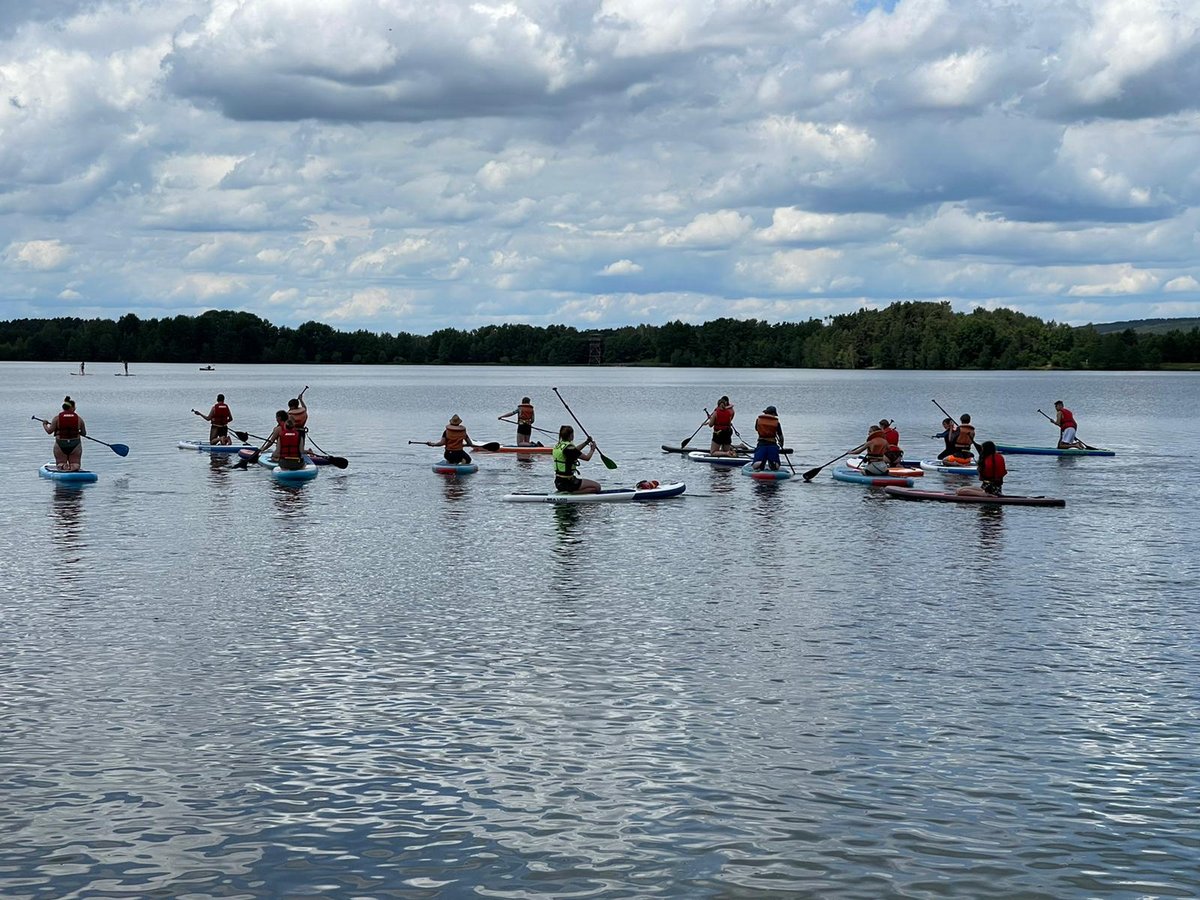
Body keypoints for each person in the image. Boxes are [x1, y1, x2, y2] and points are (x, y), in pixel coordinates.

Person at [552, 425, 600, 494]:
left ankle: (569, 491)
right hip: (569, 483)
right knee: (597, 487)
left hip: (558, 482)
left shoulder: (559, 446)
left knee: (593, 486)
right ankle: (572, 493)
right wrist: (592, 449)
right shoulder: (569, 448)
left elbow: (575, 451)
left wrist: (586, 442)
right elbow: (587, 458)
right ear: (571, 435)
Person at [43, 399, 85, 471]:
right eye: (75, 407)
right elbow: (84, 433)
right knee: (75, 463)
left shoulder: (56, 419)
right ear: (72, 408)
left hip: (60, 444)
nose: (75, 408)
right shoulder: (79, 419)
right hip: (75, 444)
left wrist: (44, 424)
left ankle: (63, 466)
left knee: (60, 463)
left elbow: (49, 431)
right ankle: (74, 468)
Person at [750, 406, 784, 471]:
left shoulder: (758, 420)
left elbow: (757, 429)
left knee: (756, 464)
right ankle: (773, 464)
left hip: (761, 444)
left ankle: (760, 464)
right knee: (776, 464)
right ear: (774, 414)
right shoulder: (776, 423)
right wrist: (781, 444)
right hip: (772, 445)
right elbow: (780, 436)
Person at [287, 386, 309, 453]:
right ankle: (307, 451)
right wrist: (301, 400)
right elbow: (304, 407)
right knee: (300, 449)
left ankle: (307, 452)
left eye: (290, 407)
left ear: (292, 406)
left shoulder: (289, 414)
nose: (290, 408)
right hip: (302, 432)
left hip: (294, 432)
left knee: (297, 450)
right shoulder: (303, 411)